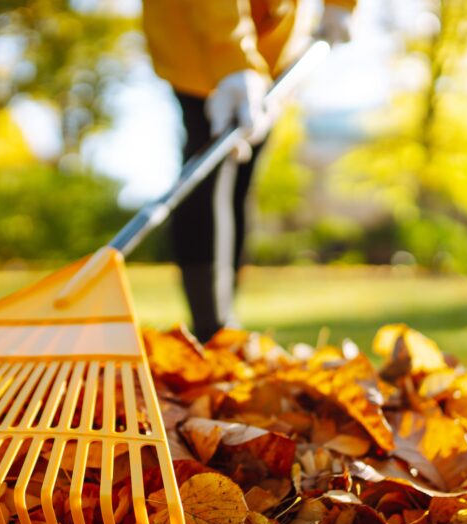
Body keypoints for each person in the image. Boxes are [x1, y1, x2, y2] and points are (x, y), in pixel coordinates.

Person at [141, 0, 355, 342]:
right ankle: (212, 326)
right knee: (207, 169)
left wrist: (341, 5)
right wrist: (231, 59)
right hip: (195, 34)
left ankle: (225, 325)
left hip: (275, 47)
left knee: (243, 174)